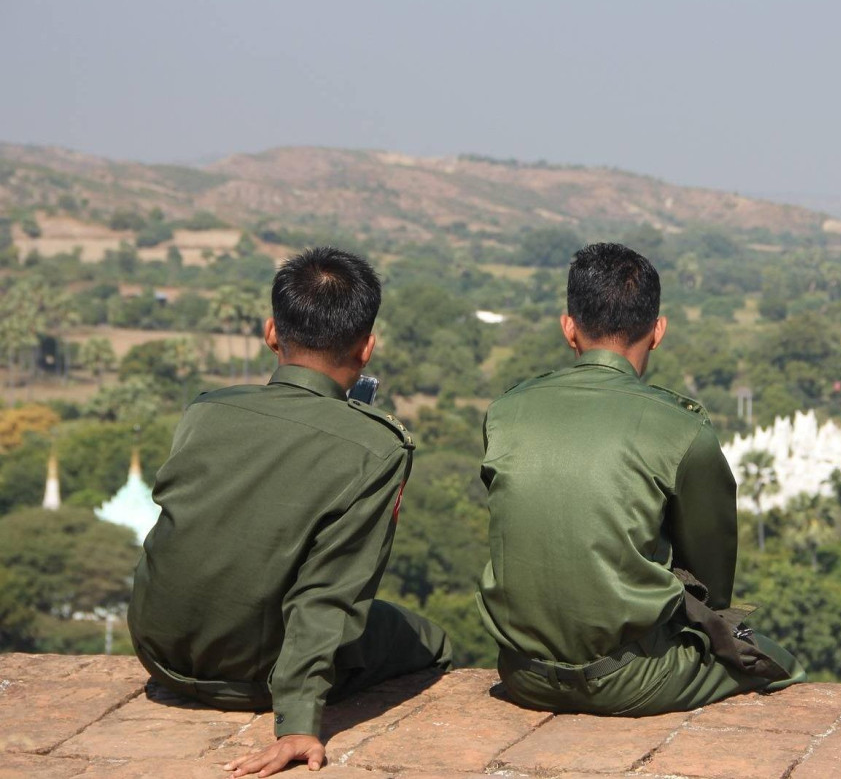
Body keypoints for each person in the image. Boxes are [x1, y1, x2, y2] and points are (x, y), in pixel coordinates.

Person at [128, 247, 452, 778]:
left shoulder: (206, 411)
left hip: (157, 653)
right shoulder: (377, 448)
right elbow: (328, 592)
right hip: (249, 675)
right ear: (366, 348)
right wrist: (298, 723)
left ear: (272, 332)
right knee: (429, 640)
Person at [476, 242, 804, 716]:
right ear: (658, 332)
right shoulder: (682, 429)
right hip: (629, 679)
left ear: (569, 328)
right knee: (780, 662)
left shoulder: (504, 412)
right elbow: (711, 577)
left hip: (521, 674)